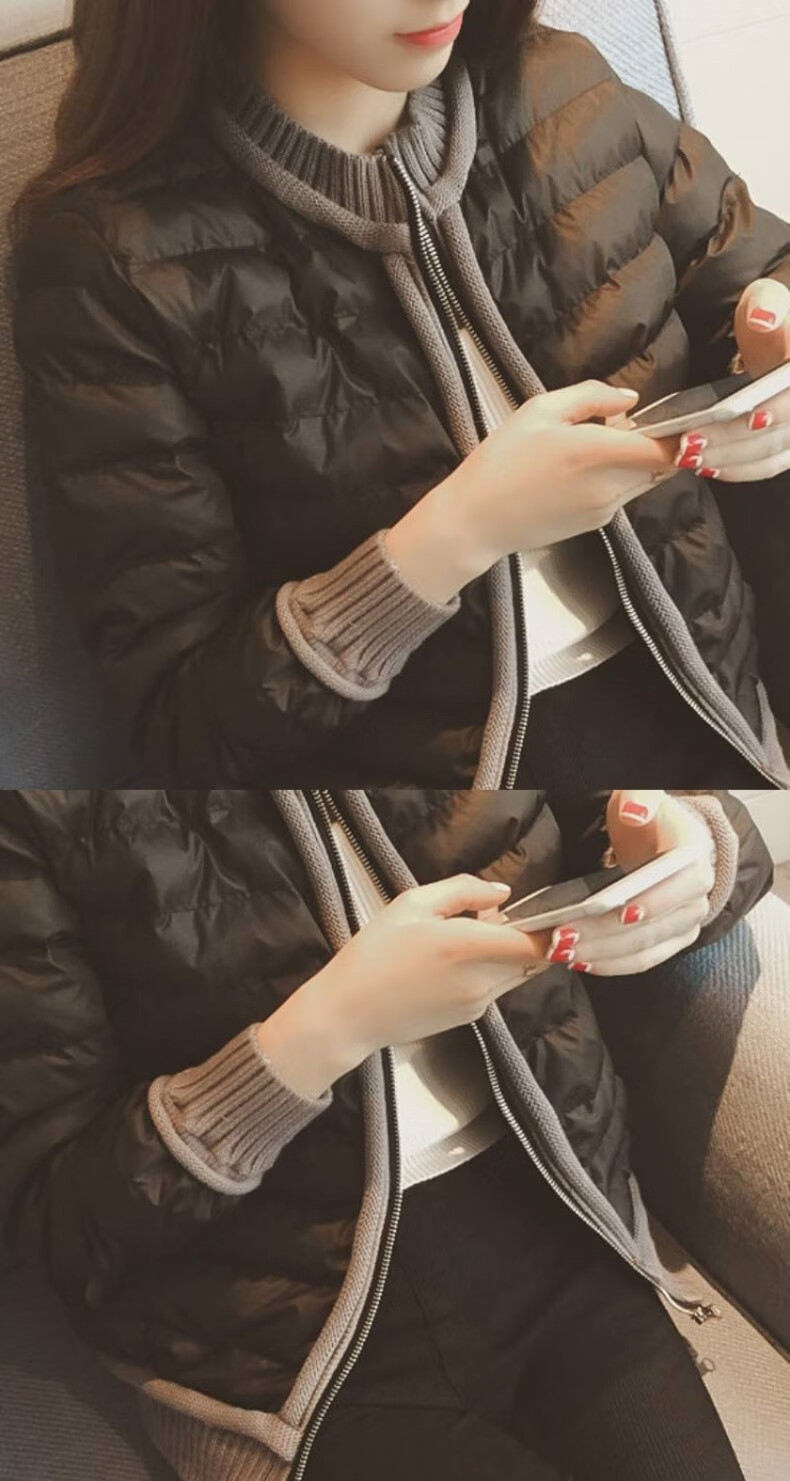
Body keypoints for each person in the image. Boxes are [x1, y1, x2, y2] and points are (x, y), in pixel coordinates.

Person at [11, 0, 790, 790]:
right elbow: (186, 728)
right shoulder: (108, 261)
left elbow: (756, 268)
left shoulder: (561, 83)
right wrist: (457, 534)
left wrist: (768, 338)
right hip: (448, 812)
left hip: (718, 702)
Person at [0, 786, 774, 1481]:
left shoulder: (455, 677)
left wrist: (690, 847)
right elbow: (52, 1220)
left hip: (553, 1231)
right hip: (280, 1342)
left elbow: (644, 809)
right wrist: (324, 1031)